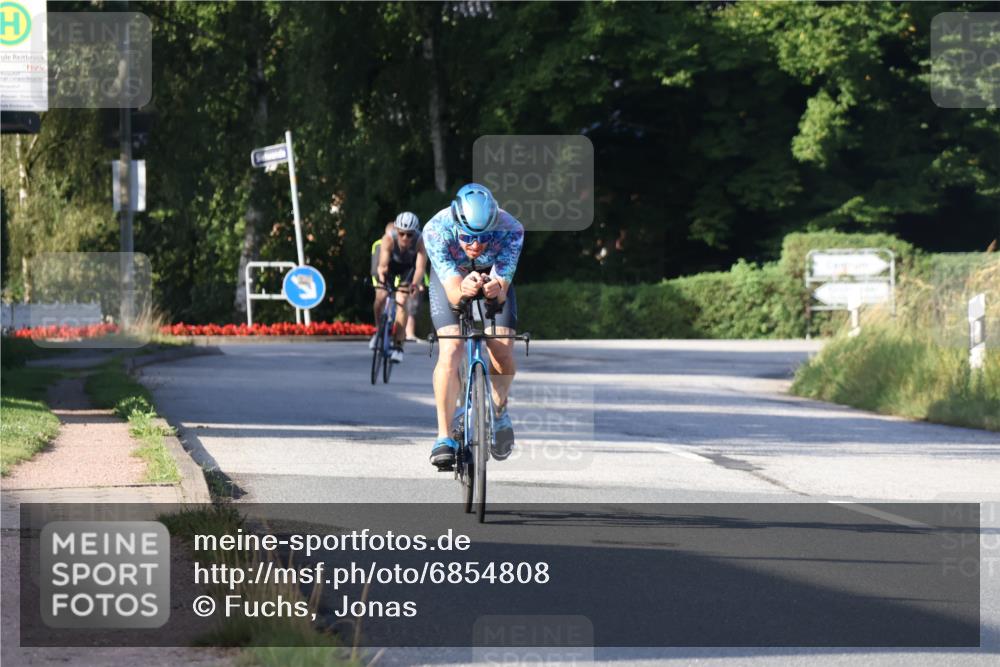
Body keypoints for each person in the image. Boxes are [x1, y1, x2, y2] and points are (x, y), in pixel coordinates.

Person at [422, 183, 524, 468]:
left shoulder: (511, 229)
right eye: (467, 237)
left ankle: (500, 411)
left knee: (502, 352)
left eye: (483, 237)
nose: (476, 245)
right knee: (452, 348)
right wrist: (463, 289)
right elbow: (453, 293)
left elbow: (503, 286)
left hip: (492, 278)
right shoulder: (436, 229)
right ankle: (444, 437)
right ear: (456, 224)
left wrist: (496, 288)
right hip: (452, 279)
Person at [370, 212, 427, 363]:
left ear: (415, 233)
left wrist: (414, 284)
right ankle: (378, 331)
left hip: (408, 268)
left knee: (402, 301)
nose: (405, 238)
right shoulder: (389, 238)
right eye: (401, 233)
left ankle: (398, 345)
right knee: (380, 296)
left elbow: (420, 268)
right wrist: (382, 279)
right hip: (391, 265)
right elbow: (382, 265)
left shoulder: (420, 241)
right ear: (397, 231)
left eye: (409, 235)